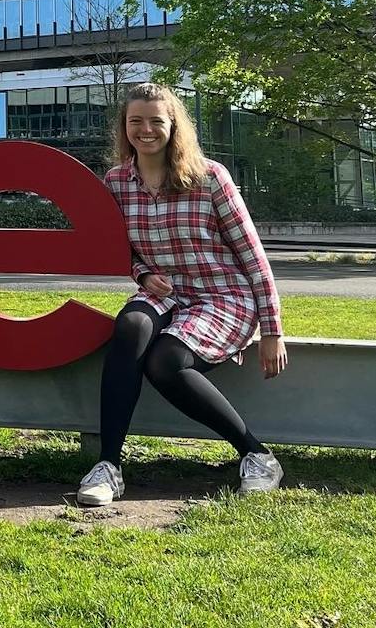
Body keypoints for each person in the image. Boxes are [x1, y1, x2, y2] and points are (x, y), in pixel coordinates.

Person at [76, 82, 287, 507]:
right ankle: (108, 466)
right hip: (165, 292)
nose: (146, 130)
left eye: (156, 121)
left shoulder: (210, 178)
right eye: (136, 121)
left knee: (165, 361)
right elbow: (121, 251)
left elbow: (253, 256)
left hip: (222, 295)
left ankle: (257, 455)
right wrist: (141, 273)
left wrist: (272, 330)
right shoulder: (116, 182)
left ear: (174, 126)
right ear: (125, 127)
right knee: (130, 326)